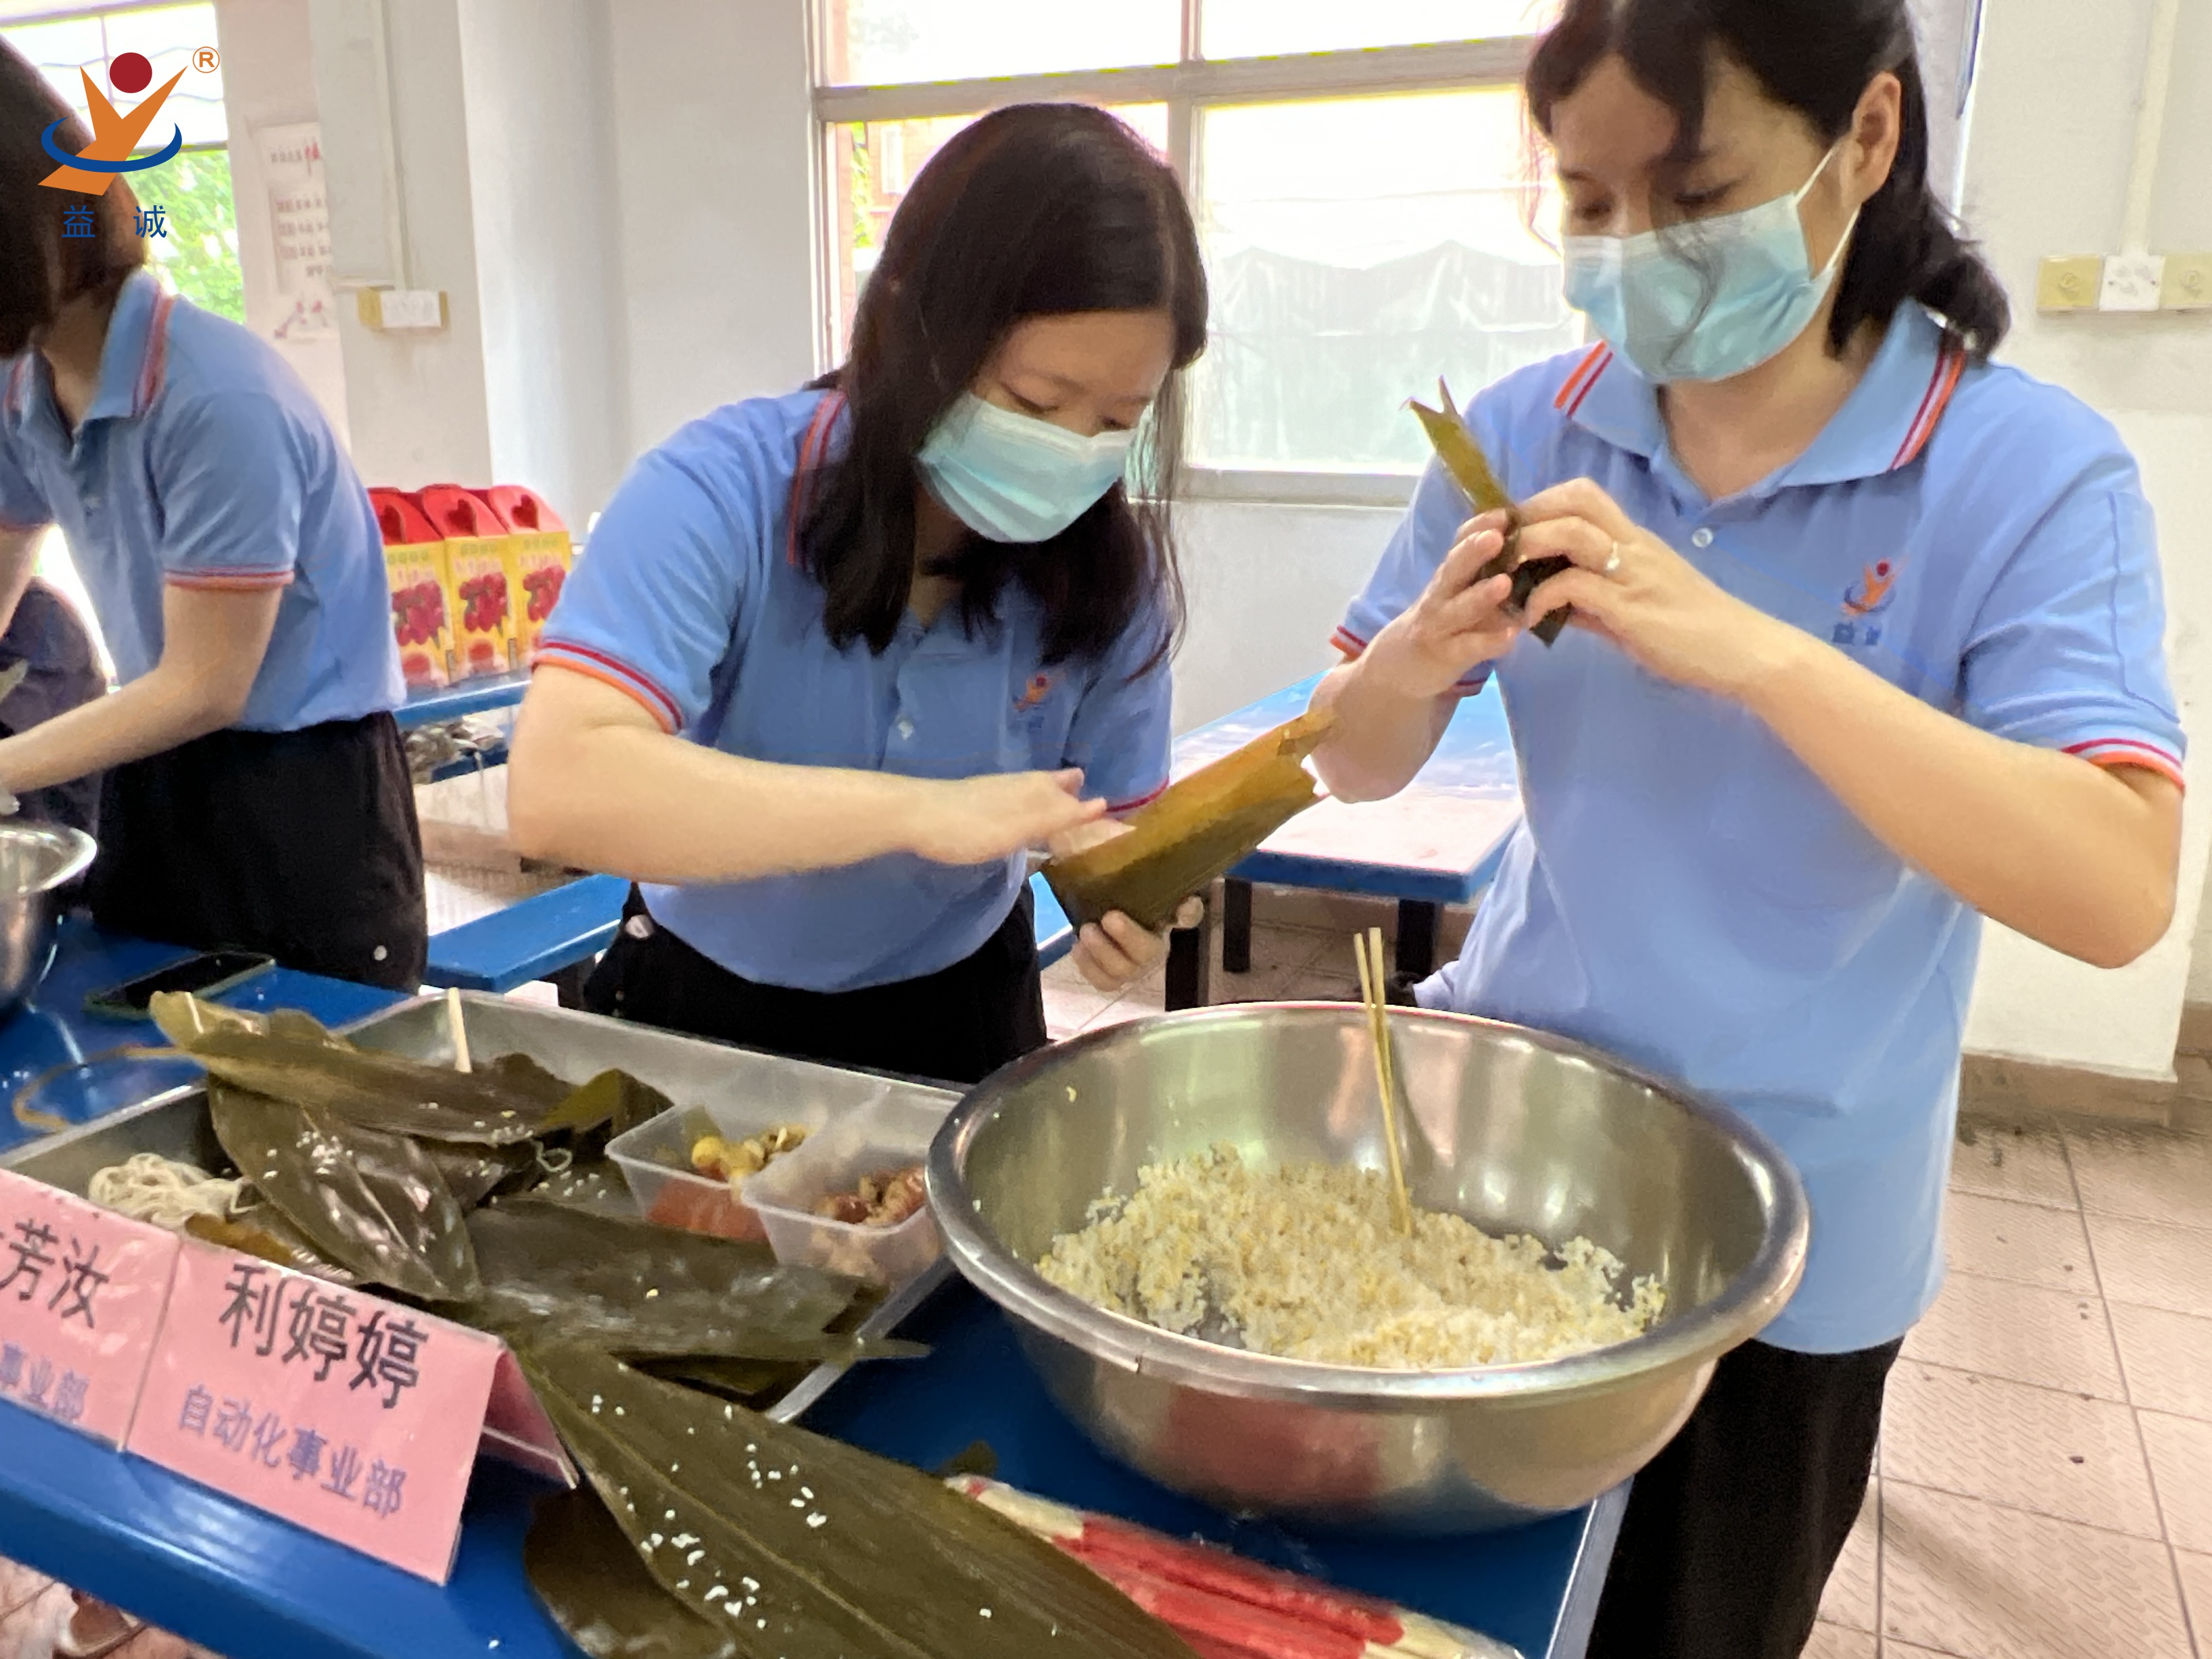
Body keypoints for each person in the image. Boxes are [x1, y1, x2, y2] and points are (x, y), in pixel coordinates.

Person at [1310, 3, 2183, 1656]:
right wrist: (1410, 664)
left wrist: (1760, 653)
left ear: (1868, 138)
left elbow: (2117, 886)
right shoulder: (1528, 431)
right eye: (1589, 203)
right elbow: (1350, 764)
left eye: (1697, 192)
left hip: (1791, 1235)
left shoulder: (2022, 471)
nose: (1636, 248)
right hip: (1500, 1152)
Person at [507, 104, 1209, 1085]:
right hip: (702, 999)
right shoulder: (724, 491)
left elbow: (1115, 831)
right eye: (1037, 404)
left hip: (961, 1005)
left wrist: (1126, 907)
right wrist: (916, 812)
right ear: (914, 325)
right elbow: (557, 789)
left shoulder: (1107, 578)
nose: (1071, 452)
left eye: (1118, 420)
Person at [0, 44, 425, 989]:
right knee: (143, 1047)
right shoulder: (24, 384)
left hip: (301, 792)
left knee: (321, 1060)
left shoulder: (220, 399)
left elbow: (206, 685)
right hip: (156, 769)